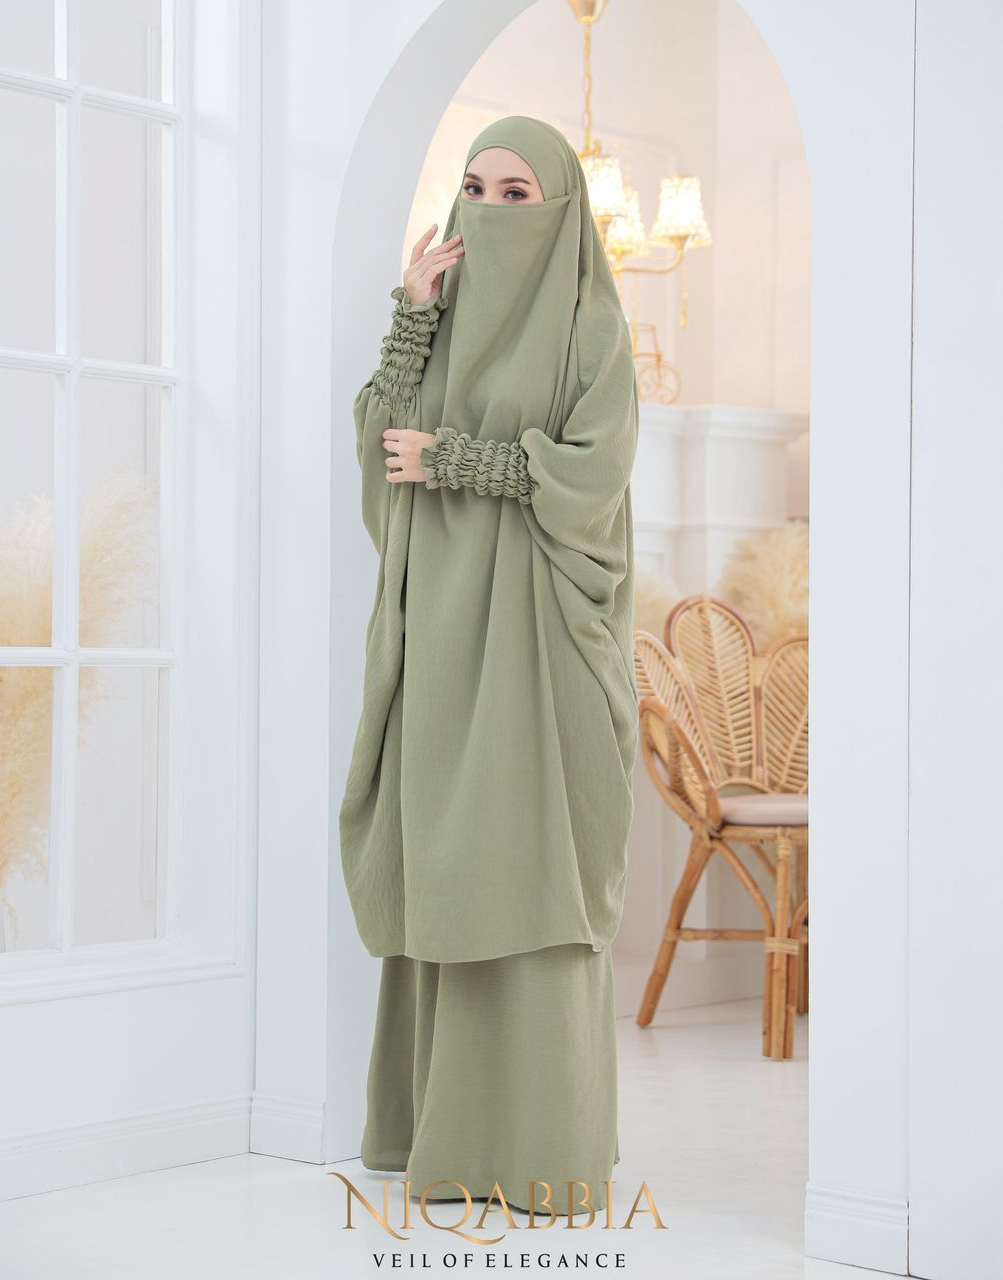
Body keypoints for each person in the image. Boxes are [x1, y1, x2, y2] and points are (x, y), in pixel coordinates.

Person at [339, 115, 640, 1215]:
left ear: (560, 210)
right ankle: (443, 1136)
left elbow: (592, 474)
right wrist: (412, 313)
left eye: (518, 194)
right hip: (441, 638)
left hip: (539, 642)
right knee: (450, 864)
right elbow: (381, 442)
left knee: (532, 863)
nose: (493, 209)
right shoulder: (444, 312)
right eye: (476, 188)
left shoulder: (590, 327)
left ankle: (544, 1144)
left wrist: (459, 461)